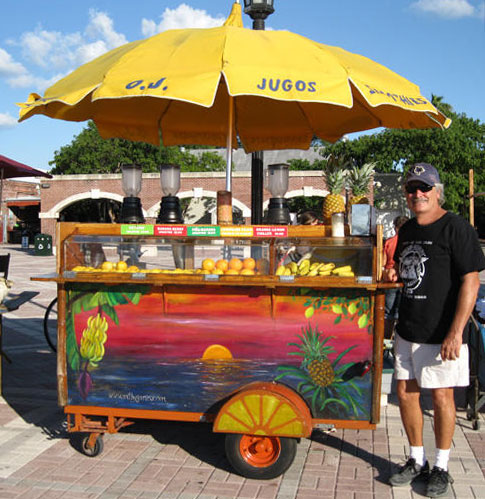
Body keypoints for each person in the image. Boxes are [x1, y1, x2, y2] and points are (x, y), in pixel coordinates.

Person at [386, 163, 485, 497]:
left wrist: (456, 332)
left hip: (442, 332)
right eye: (412, 189)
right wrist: (392, 276)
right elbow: (405, 271)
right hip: (408, 328)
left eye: (424, 188)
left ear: (437, 191)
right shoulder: (409, 230)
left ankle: (441, 467)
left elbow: (470, 280)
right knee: (405, 394)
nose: (418, 194)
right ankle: (417, 458)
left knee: (443, 397)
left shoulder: (456, 228)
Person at [383, 215, 409, 339]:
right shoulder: (409, 241)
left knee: (388, 314)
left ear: (395, 227)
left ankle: (387, 341)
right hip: (405, 280)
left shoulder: (389, 242)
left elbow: (382, 263)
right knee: (401, 313)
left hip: (390, 280)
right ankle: (398, 340)